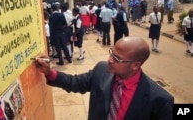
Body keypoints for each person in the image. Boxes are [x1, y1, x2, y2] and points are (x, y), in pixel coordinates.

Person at [33, 36, 174, 120]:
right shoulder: (101, 70)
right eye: (111, 53)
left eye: (117, 58)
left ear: (135, 65)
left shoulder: (160, 99)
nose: (110, 60)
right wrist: (49, 72)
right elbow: (75, 83)